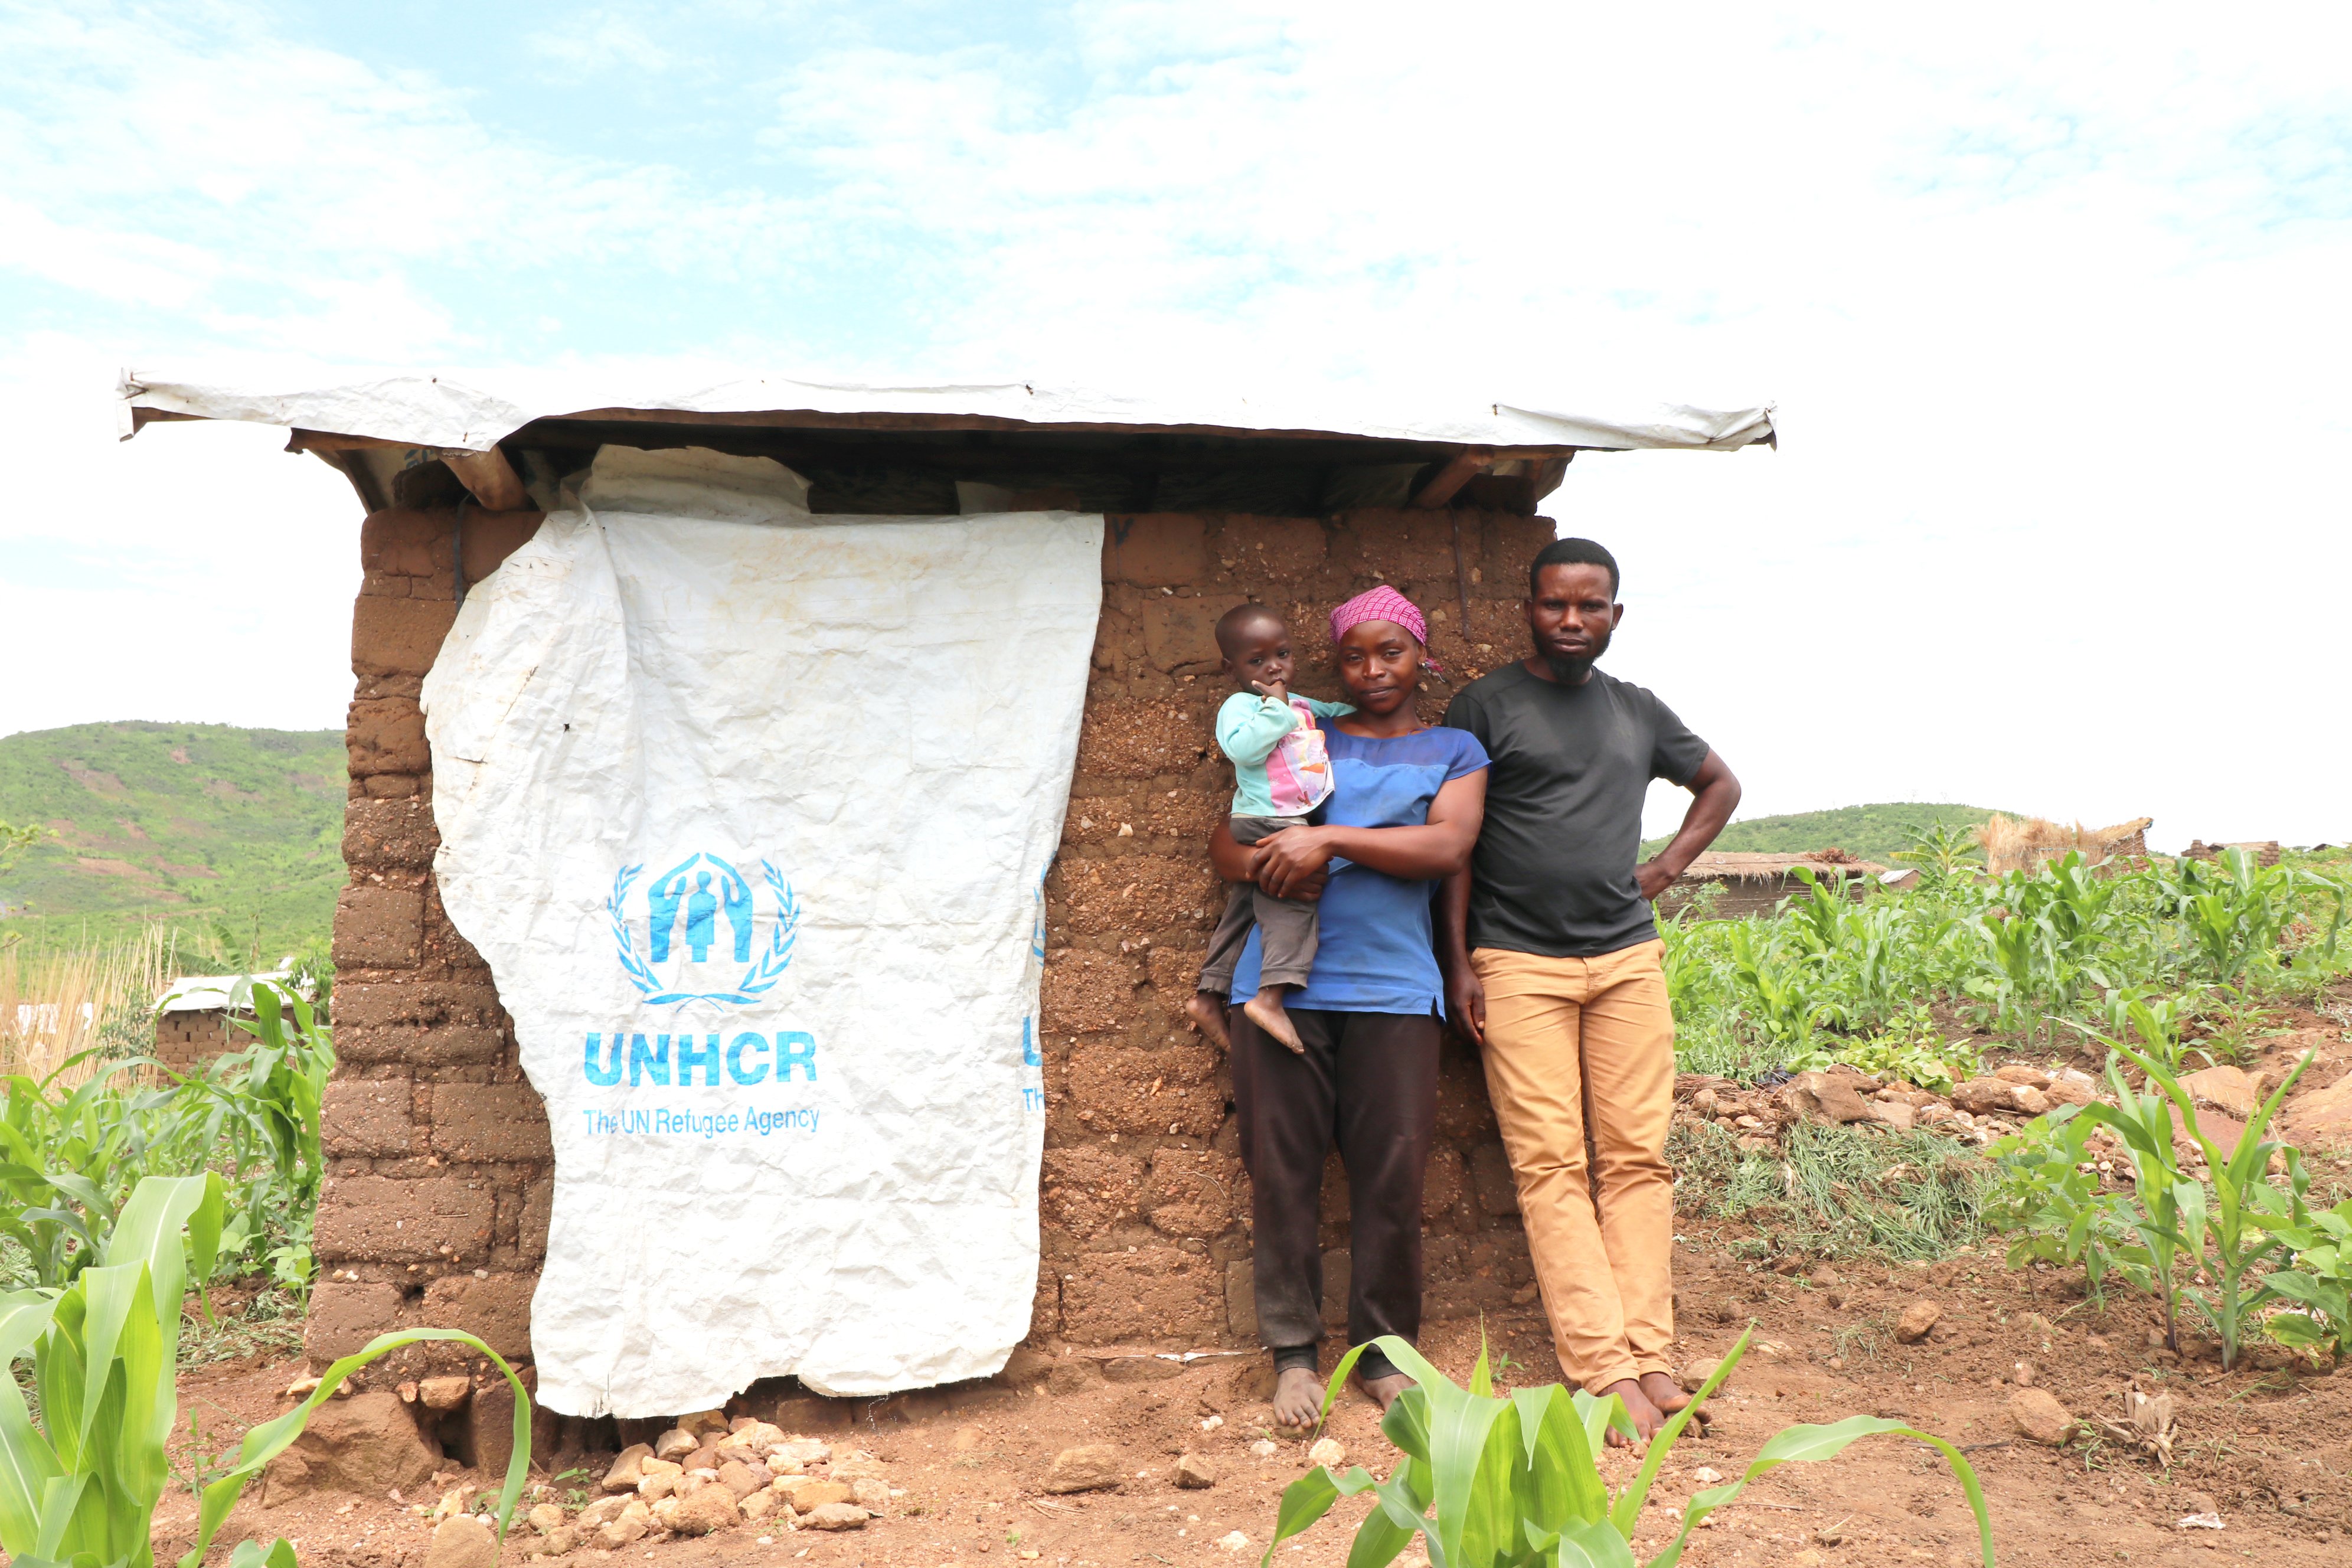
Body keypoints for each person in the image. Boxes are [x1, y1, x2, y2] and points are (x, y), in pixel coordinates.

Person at [1438, 538, 1740, 1444]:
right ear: (1529, 608)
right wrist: (1459, 962)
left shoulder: (1637, 711)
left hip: (1625, 961)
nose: (1573, 621)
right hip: (1518, 965)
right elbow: (1453, 844)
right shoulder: (1485, 705)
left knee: (1638, 1161)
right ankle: (1604, 1370)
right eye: (1555, 605)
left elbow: (1720, 784)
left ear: (1616, 614)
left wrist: (1668, 868)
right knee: (1550, 1166)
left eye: (1591, 606)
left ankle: (1650, 1353)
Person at [1211, 585, 1488, 1428]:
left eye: (1392, 653)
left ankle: (1383, 1354)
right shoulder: (1301, 733)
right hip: (1281, 993)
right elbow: (1226, 843)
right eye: (1356, 657)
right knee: (1283, 1176)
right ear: (1334, 666)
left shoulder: (1455, 749)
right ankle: (1294, 1356)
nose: (1374, 671)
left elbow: (1447, 845)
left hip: (1397, 992)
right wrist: (1273, 860)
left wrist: (1329, 839)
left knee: (1392, 1178)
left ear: (1421, 656)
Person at [1187, 603, 1356, 1054]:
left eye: (1282, 654)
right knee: (1292, 904)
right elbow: (1241, 750)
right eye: (1257, 660)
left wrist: (1355, 713)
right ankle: (1270, 997)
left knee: (1244, 911)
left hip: (1286, 817)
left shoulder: (1300, 705)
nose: (1274, 666)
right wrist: (1276, 709)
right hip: (1268, 819)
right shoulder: (1241, 706)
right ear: (1231, 669)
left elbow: (1339, 715)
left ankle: (1208, 995)